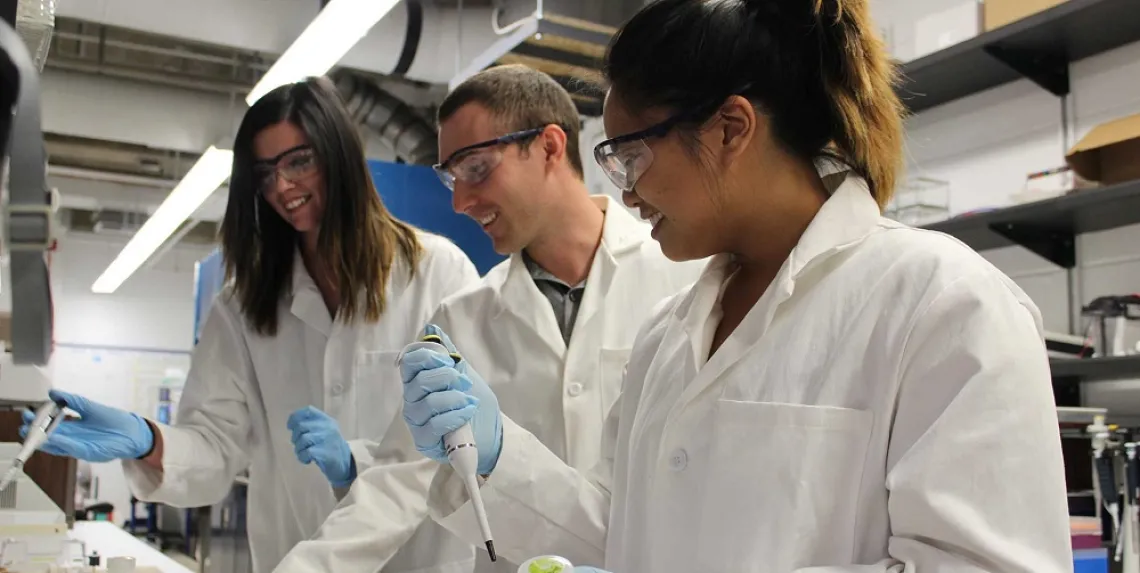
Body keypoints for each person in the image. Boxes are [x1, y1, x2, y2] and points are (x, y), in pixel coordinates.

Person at [397, 1, 1074, 572]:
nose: (624, 191)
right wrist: (496, 455)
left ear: (730, 129)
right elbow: (621, 531)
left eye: (631, 156)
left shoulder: (944, 304)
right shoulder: (668, 336)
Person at [23, 77, 480, 573]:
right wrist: (148, 440)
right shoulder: (243, 306)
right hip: (291, 557)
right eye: (264, 173)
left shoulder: (436, 274)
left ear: (339, 154)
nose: (281, 187)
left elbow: (464, 440)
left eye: (298, 161)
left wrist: (357, 465)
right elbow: (216, 449)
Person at [273, 65, 706, 573]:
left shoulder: (686, 281)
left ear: (549, 146)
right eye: (450, 178)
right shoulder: (462, 318)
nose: (458, 202)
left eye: (475, 168)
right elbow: (400, 480)